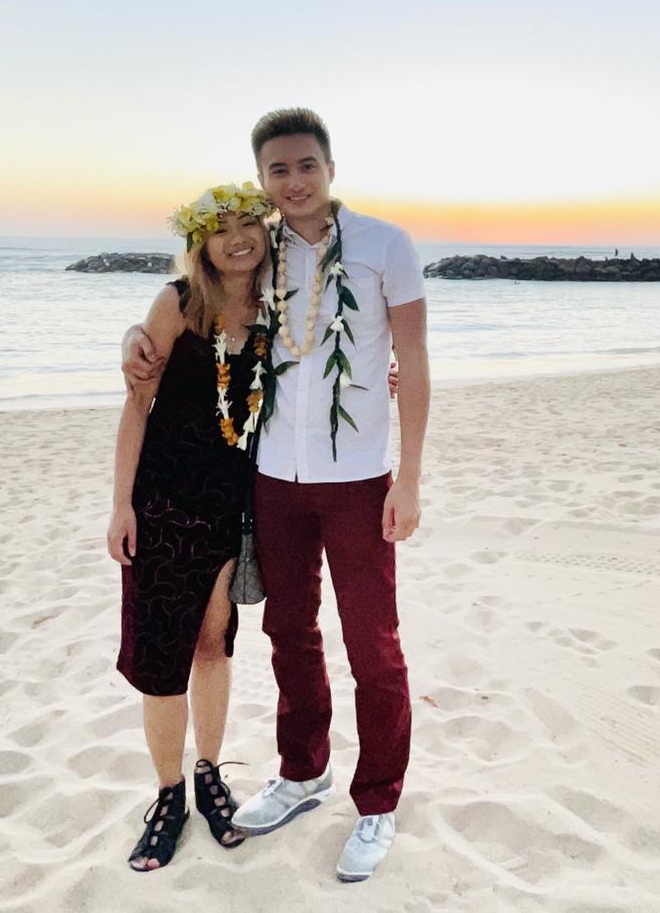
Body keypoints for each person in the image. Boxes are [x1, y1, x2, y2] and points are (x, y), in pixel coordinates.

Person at [122, 108, 430, 884]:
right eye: (278, 172)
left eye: (306, 166)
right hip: (271, 487)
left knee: (375, 648)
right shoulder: (263, 262)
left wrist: (412, 475)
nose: (293, 183)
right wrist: (135, 334)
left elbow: (415, 359)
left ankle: (378, 803)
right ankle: (302, 771)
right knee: (289, 635)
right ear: (264, 182)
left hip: (359, 480)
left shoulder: (386, 247)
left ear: (330, 167)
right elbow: (200, 304)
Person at [107, 183, 271, 872]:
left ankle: (209, 773)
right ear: (199, 241)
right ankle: (169, 792)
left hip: (233, 505)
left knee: (213, 643)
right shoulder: (179, 303)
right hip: (165, 504)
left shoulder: (281, 308)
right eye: (221, 229)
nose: (238, 239)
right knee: (160, 655)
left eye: (249, 226)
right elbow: (137, 404)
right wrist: (120, 505)